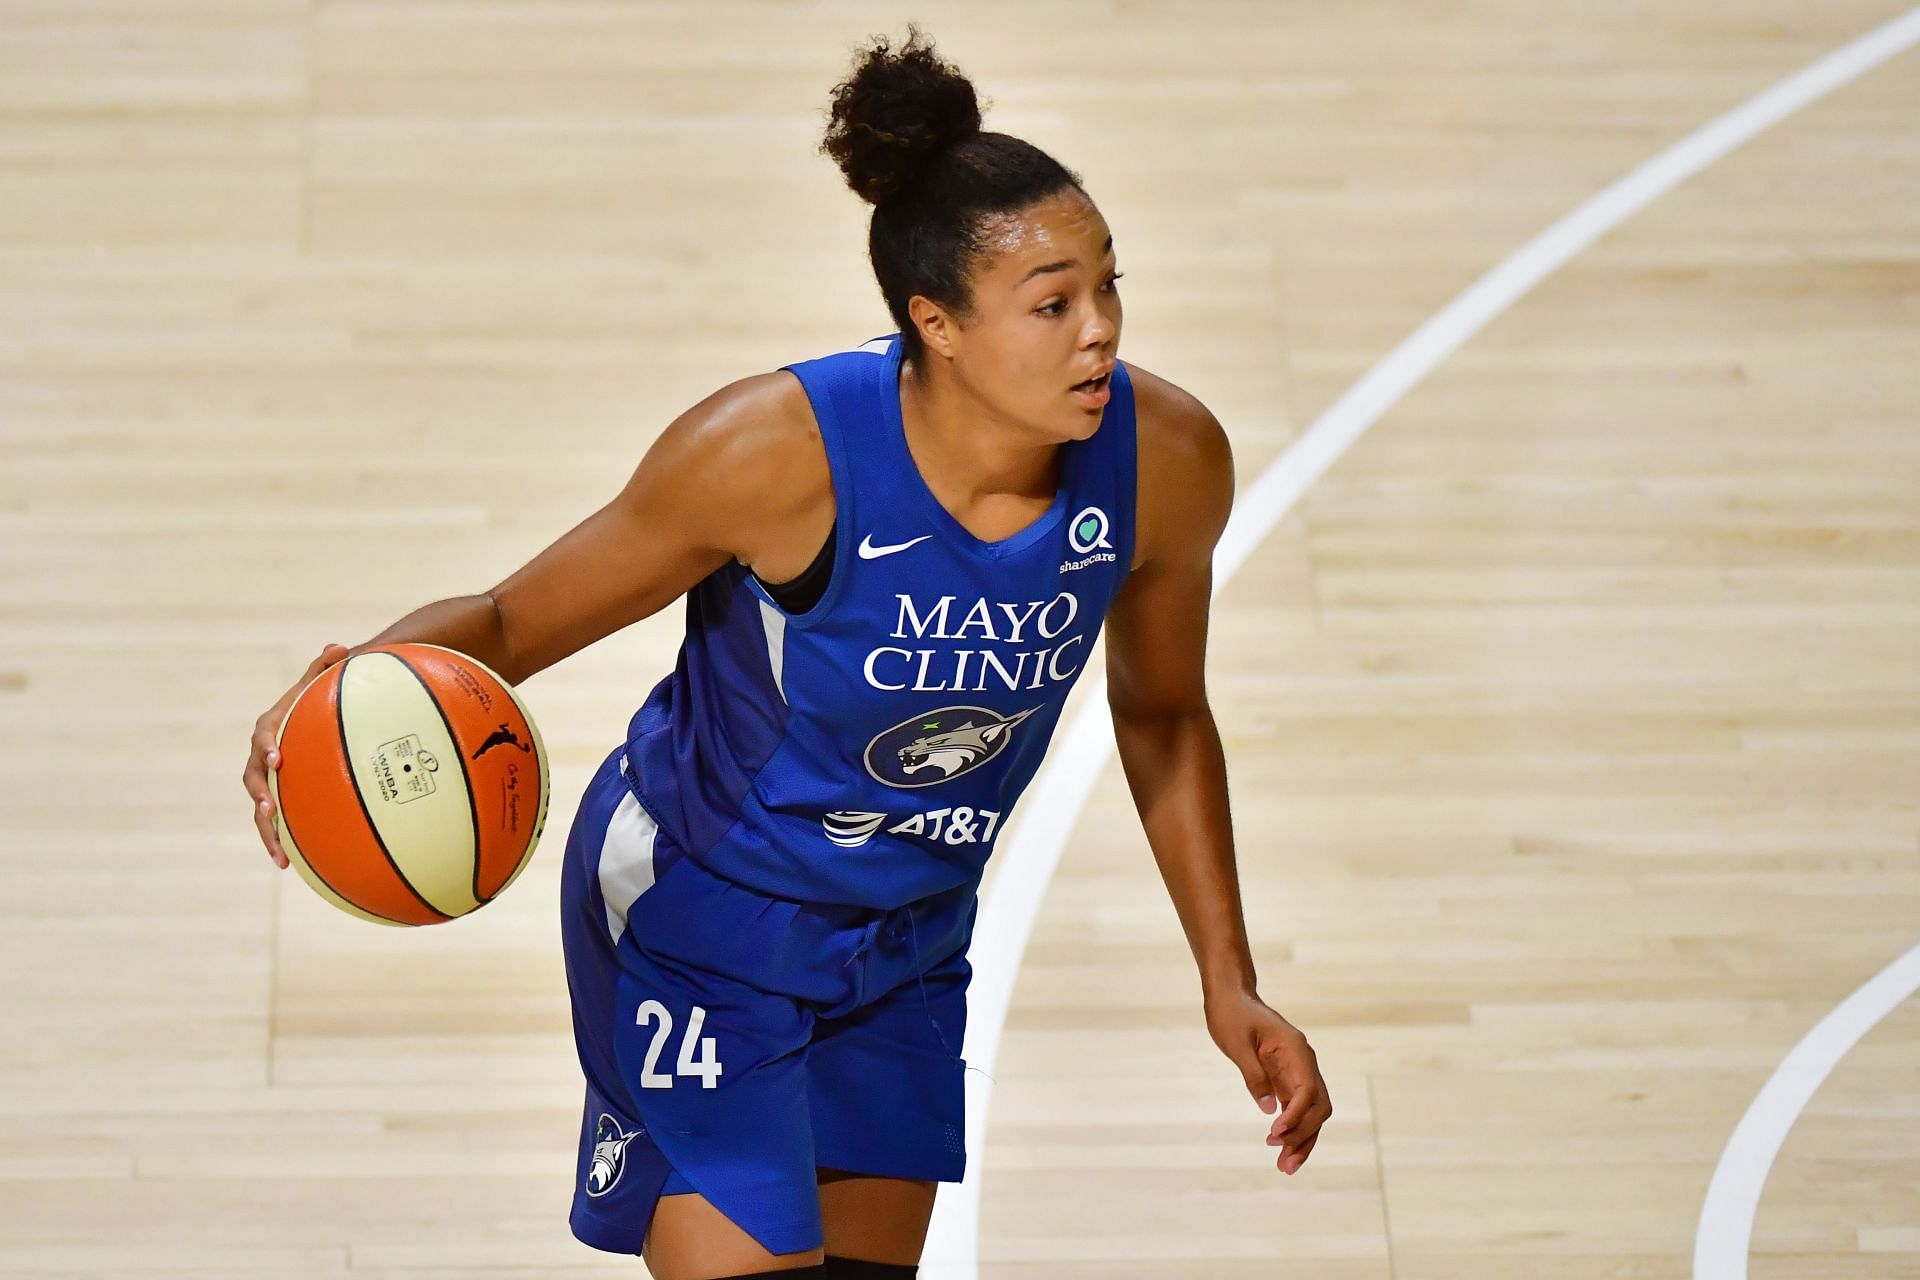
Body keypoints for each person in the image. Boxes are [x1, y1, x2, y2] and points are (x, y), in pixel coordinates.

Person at [241, 25, 1329, 1280]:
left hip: (910, 934)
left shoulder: (1168, 465)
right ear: (938, 322)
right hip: (706, 918)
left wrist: (1228, 980)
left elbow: (1165, 716)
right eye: (1053, 303)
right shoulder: (777, 455)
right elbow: (507, 624)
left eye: (1108, 286)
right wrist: (344, 682)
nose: (1101, 331)